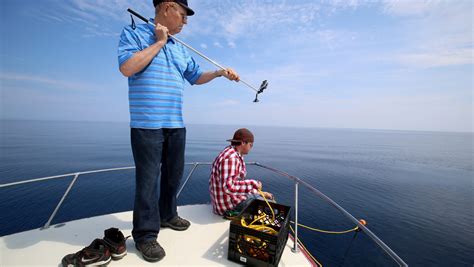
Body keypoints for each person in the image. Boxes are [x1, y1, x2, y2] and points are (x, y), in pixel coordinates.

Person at [117, 0, 240, 263]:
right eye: (183, 15)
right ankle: (145, 236)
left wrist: (219, 73)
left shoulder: (181, 47)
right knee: (148, 181)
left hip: (176, 124)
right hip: (146, 124)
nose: (185, 21)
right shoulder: (135, 33)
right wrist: (159, 42)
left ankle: (167, 215)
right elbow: (127, 67)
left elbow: (195, 77)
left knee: (173, 175)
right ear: (167, 8)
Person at [209, 128, 273, 217]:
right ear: (243, 143)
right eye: (251, 145)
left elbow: (234, 185)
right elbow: (229, 187)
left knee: (265, 197)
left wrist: (257, 192)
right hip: (228, 207)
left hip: (228, 199)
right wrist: (253, 184)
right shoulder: (231, 158)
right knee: (270, 206)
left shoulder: (231, 151)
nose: (251, 148)